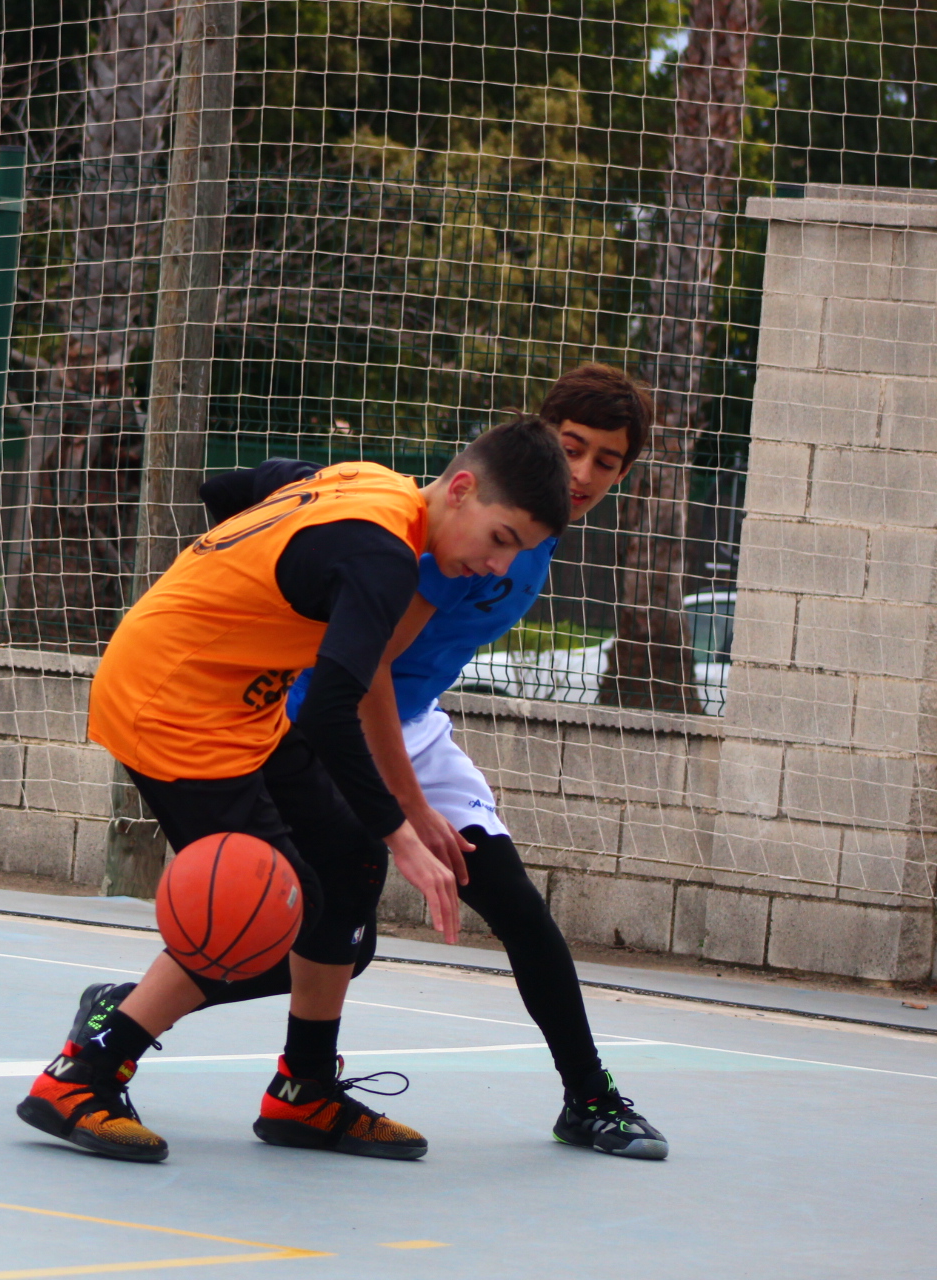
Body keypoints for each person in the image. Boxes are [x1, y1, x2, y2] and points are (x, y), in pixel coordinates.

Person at [104, 365, 667, 1161]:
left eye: (606, 461)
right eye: (572, 448)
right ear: (536, 441)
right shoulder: (451, 540)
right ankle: (130, 1025)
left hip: (408, 721)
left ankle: (587, 1098)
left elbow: (248, 486)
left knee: (510, 906)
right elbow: (361, 677)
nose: (583, 473)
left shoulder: (522, 532)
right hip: (325, 717)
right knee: (307, 912)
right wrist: (407, 813)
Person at [16, 418, 572, 1163]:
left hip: (239, 699)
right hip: (172, 708)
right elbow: (334, 712)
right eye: (501, 538)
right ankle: (83, 1074)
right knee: (265, 908)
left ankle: (304, 1090)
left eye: (518, 552)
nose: (498, 565)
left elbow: (237, 486)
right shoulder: (384, 561)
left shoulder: (370, 485)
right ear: (462, 489)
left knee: (350, 864)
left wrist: (232, 592)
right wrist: (405, 830)